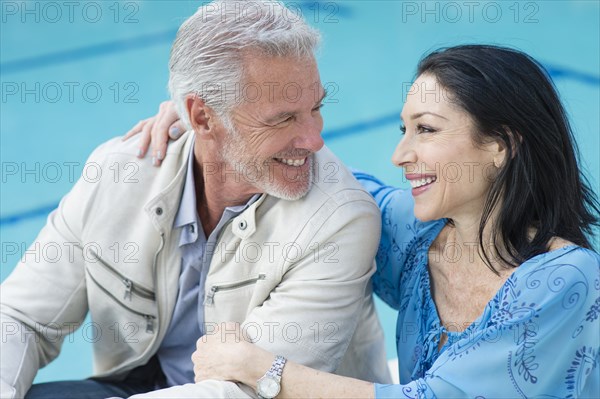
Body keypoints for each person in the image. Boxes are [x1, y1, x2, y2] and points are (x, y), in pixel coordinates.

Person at [136, 45, 600, 398]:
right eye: (404, 130)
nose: (400, 155)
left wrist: (262, 369)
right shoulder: (414, 229)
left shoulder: (565, 278)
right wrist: (221, 122)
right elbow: (314, 174)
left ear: (501, 145)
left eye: (427, 129)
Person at [0, 1, 392, 398]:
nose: (314, 139)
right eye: (283, 118)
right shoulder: (117, 174)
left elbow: (247, 390)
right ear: (202, 117)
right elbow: (19, 317)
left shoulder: (340, 220)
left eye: (316, 108)